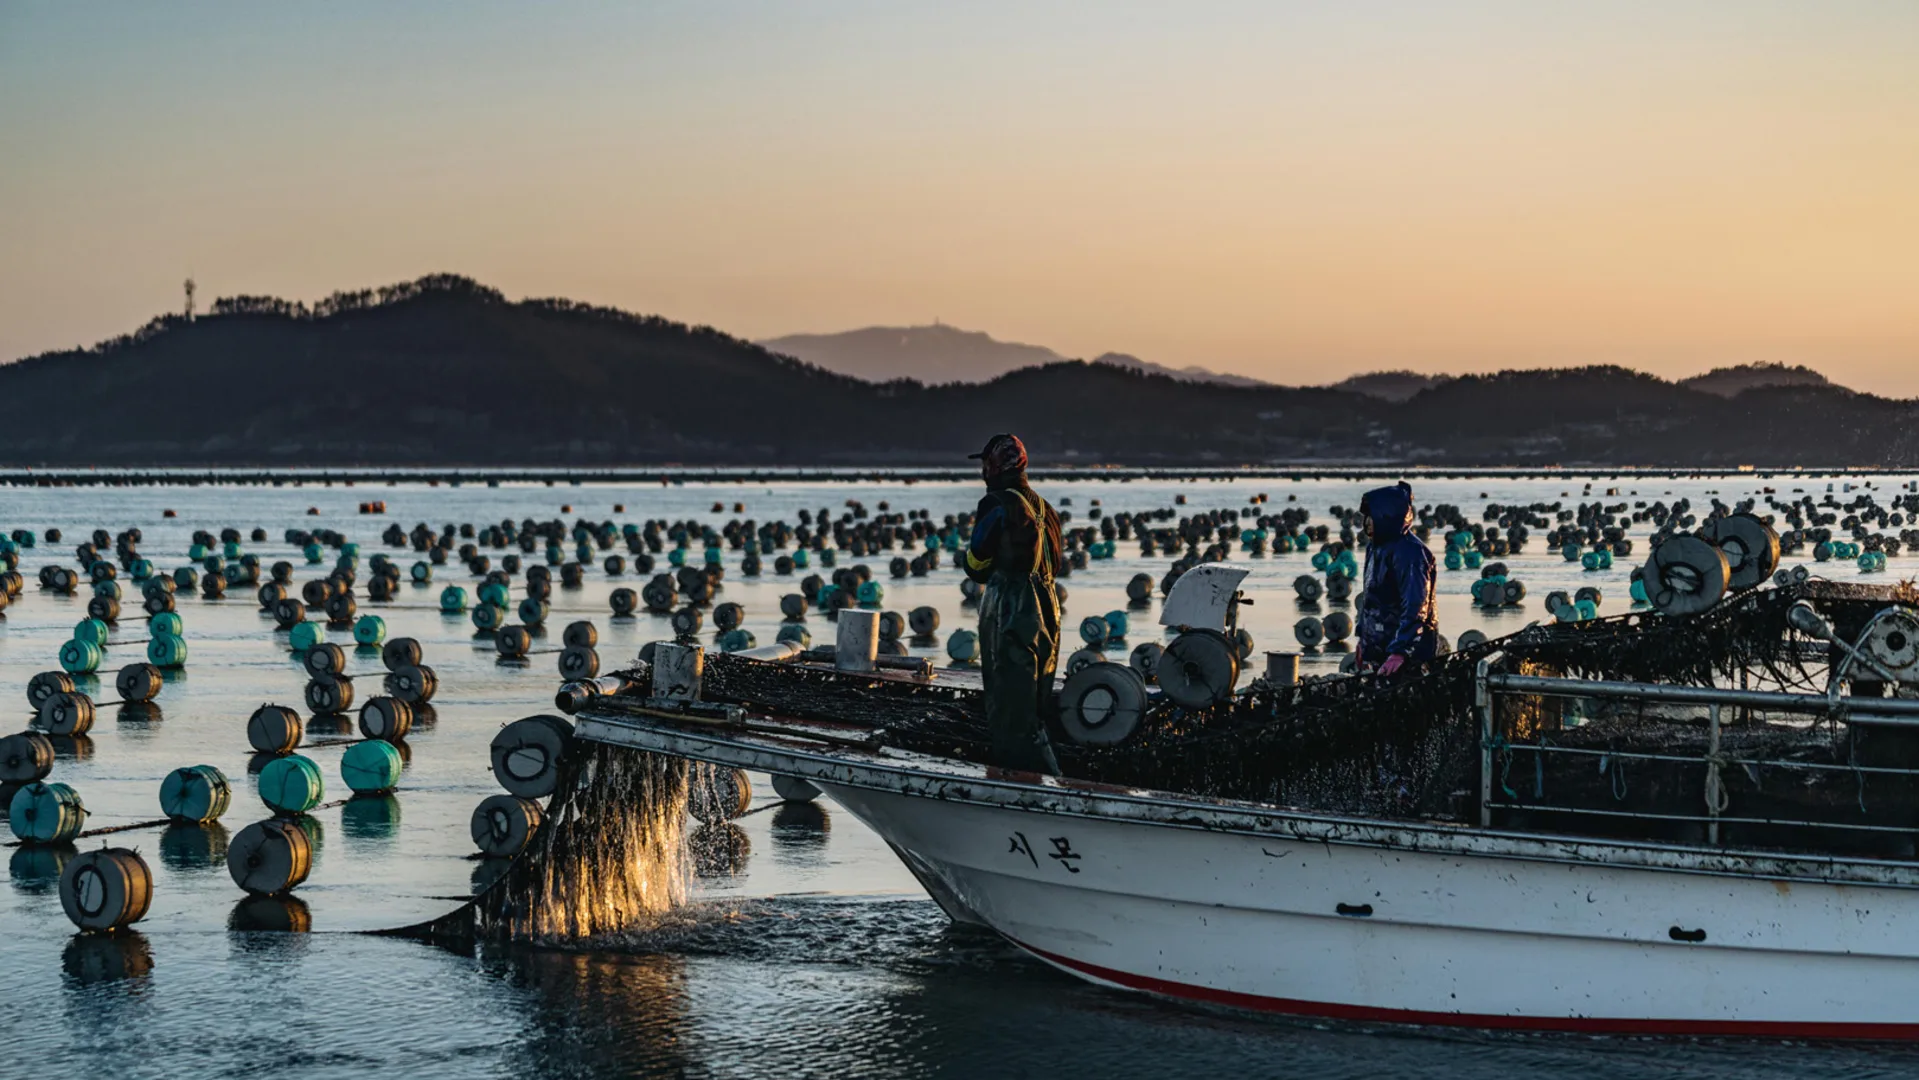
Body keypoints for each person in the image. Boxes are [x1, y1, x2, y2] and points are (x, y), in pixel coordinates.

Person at [964, 433, 1065, 774]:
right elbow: (1056, 563)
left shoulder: (997, 503)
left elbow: (976, 563)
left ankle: (1023, 784)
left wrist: (975, 563)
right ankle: (1045, 776)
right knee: (1034, 705)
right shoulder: (1046, 509)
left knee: (1009, 707)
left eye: (985, 464)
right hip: (1049, 607)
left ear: (994, 467)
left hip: (1011, 606)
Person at [1356, 481, 1439, 677]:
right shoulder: (1375, 548)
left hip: (1409, 651)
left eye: (1372, 517)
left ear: (1386, 516)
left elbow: (1415, 605)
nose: (1367, 522)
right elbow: (1370, 599)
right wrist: (1363, 641)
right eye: (1366, 517)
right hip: (1380, 644)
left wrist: (1400, 651)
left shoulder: (1410, 553)